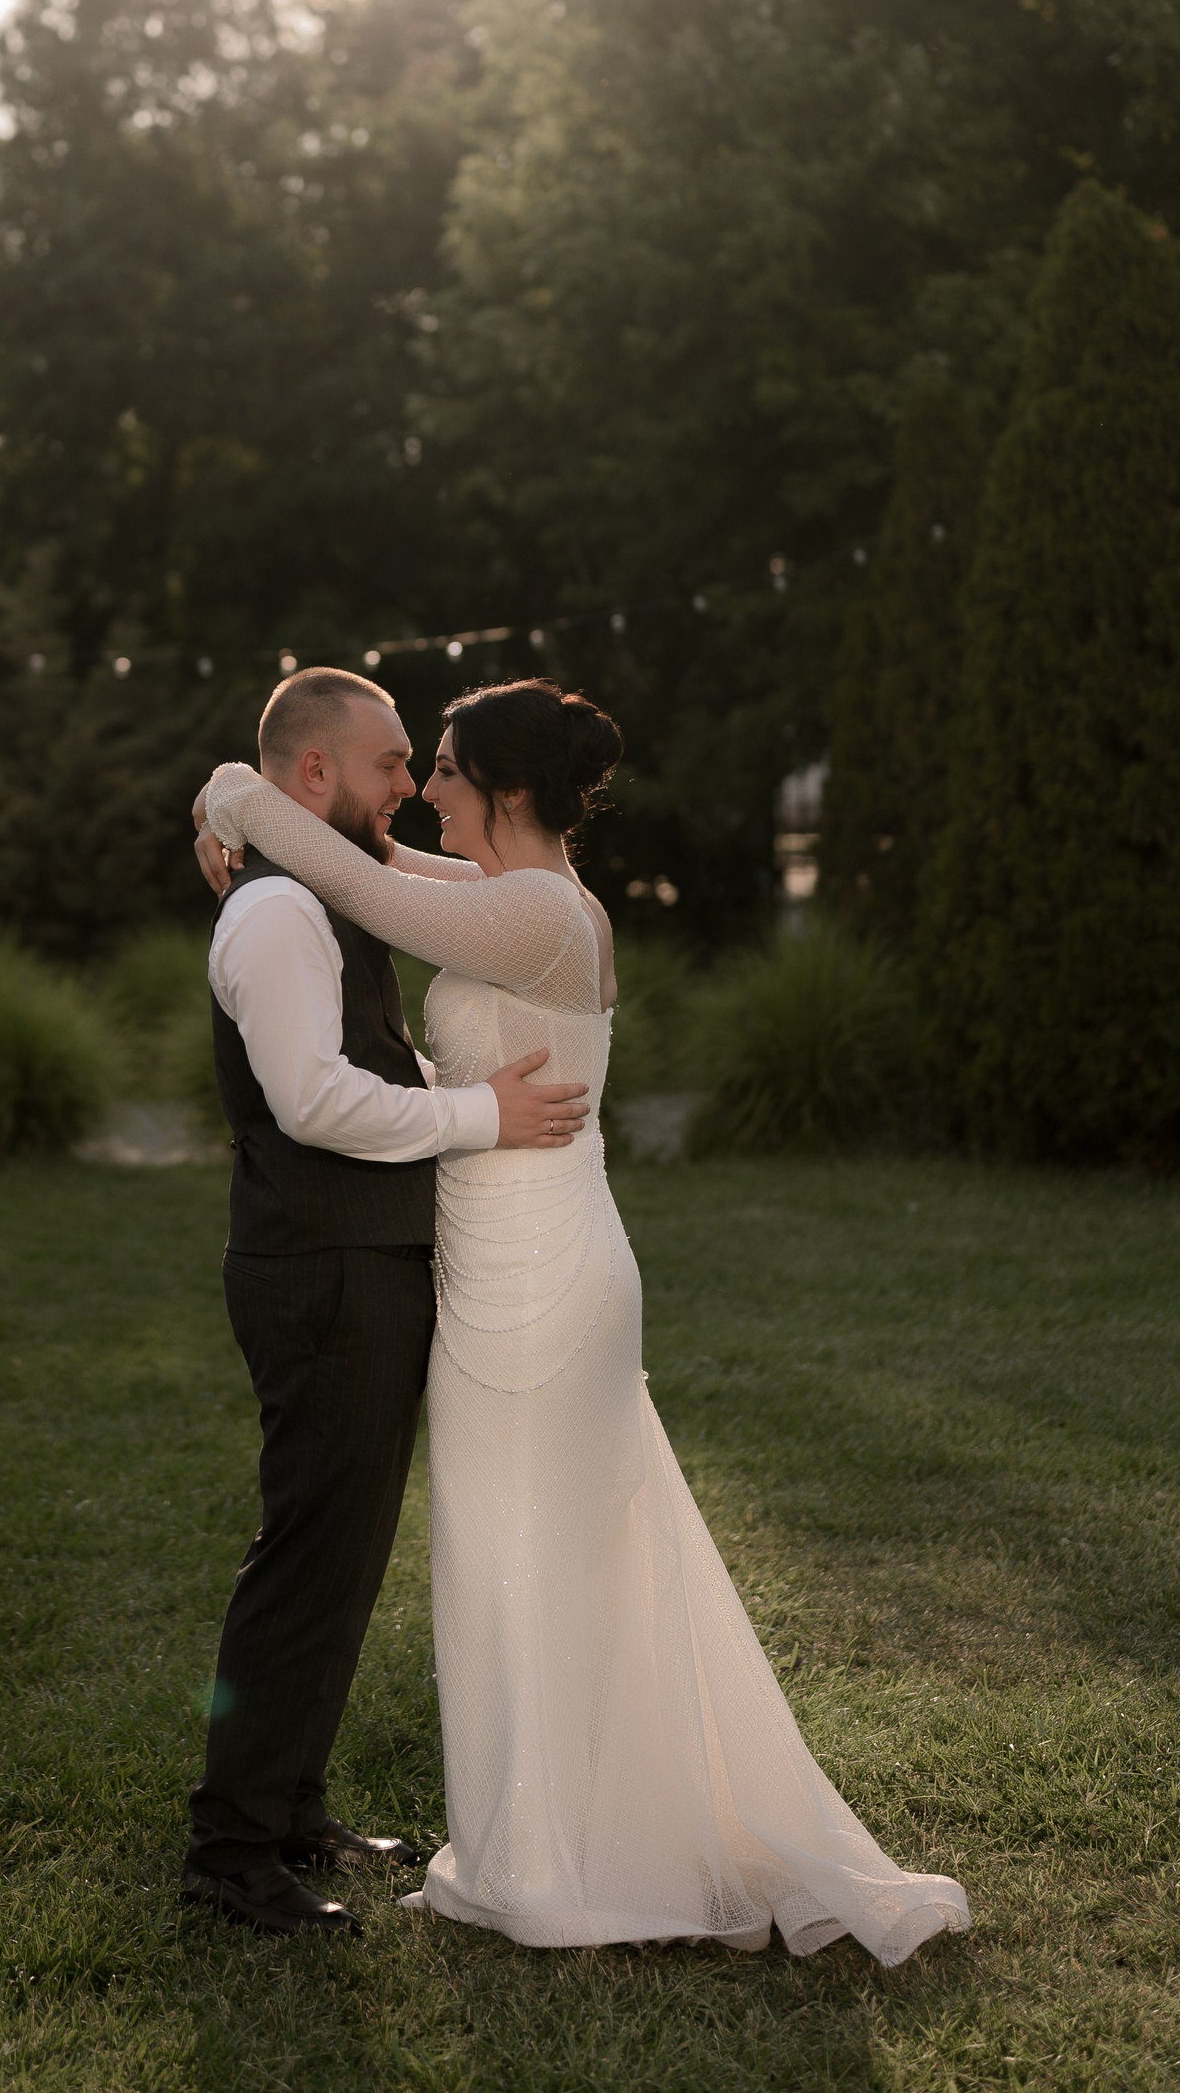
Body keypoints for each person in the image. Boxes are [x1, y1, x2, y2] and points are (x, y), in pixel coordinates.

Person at [190, 671, 970, 1967]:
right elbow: (370, 869)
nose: (420, 790)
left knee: (531, 1560)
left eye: (441, 766)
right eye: (407, 763)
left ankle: (551, 1861)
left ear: (503, 788)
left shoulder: (544, 913)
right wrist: (248, 806)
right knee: (521, 1557)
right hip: (504, 1262)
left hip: (537, 1281)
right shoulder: (519, 897)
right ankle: (530, 1836)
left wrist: (231, 793)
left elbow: (366, 882)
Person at [180, 665, 593, 1938]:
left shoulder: (329, 890)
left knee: (346, 1552)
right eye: (391, 762)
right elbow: (313, 1101)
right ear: (314, 774)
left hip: (360, 1260)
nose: (410, 784)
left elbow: (365, 1054)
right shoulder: (274, 913)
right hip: (321, 1268)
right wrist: (478, 1114)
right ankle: (232, 1851)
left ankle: (292, 1808)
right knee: (310, 1554)